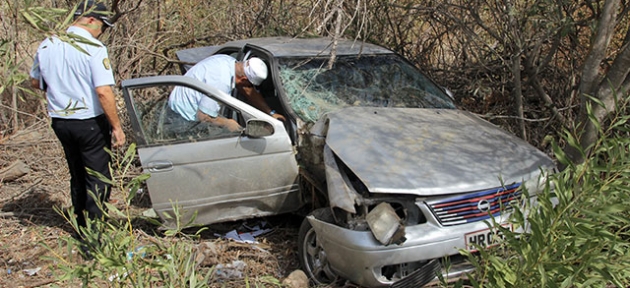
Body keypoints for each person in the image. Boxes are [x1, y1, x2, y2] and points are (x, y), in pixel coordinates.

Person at [29, 1, 126, 235]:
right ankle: (95, 234)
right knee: (98, 177)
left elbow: (34, 82)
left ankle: (81, 226)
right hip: (89, 122)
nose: (102, 33)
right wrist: (117, 127)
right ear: (91, 19)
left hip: (61, 121)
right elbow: (103, 91)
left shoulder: (47, 45)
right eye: (102, 27)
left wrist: (61, 91)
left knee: (77, 174)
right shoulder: (93, 48)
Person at [168, 55, 286, 132]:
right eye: (249, 83)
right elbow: (204, 116)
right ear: (244, 78)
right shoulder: (221, 81)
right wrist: (227, 123)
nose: (249, 87)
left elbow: (246, 89)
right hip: (182, 118)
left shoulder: (229, 62)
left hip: (180, 104)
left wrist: (271, 113)